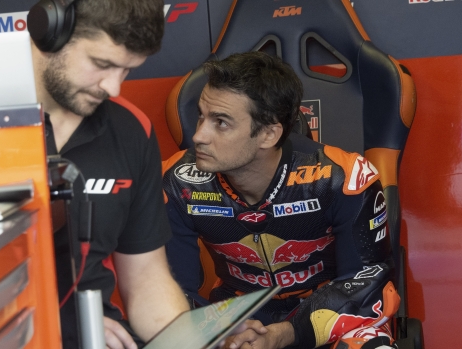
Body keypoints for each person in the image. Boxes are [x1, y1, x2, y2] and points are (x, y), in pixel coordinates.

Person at [162, 51, 400, 349]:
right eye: (201, 116)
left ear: (268, 134)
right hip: (232, 321)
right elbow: (171, 291)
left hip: (327, 314)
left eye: (220, 122)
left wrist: (286, 333)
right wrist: (219, 336)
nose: (198, 136)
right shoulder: (176, 183)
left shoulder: (342, 178)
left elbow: (366, 281)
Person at [29, 0, 189, 348]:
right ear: (50, 32)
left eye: (127, 70)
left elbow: (146, 275)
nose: (113, 88)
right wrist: (58, 321)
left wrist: (191, 340)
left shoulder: (132, 130)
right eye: (102, 64)